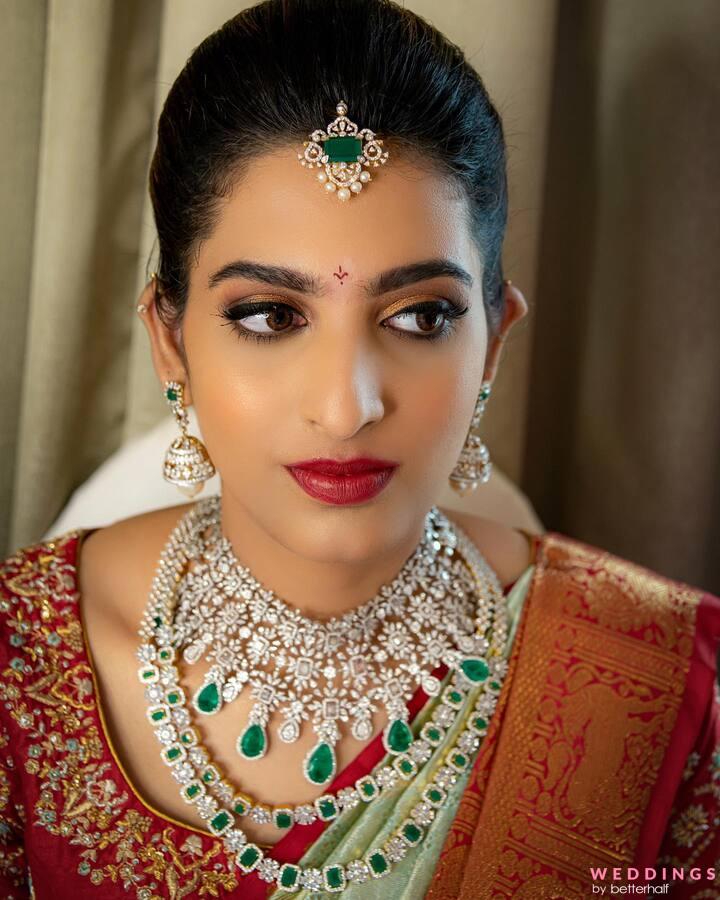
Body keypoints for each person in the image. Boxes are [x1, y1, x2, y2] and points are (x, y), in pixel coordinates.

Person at [1, 1, 718, 897]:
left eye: (421, 316)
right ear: (170, 341)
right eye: (270, 315)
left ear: (493, 341)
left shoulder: (656, 676)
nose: (347, 407)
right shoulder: (19, 663)